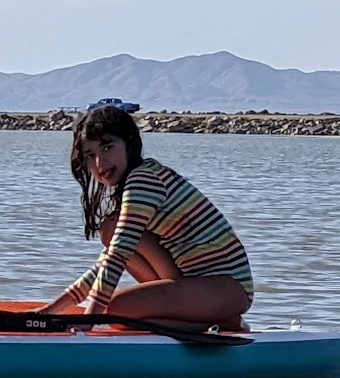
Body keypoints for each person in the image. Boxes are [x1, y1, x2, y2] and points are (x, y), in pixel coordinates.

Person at [43, 106, 251, 329]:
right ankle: (211, 319)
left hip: (225, 287)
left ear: (129, 144)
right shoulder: (136, 181)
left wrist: (90, 320)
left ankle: (218, 323)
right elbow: (107, 261)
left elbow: (118, 255)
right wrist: (52, 309)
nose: (99, 163)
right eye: (90, 155)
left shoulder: (144, 180)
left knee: (118, 310)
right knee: (111, 229)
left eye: (107, 147)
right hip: (197, 284)